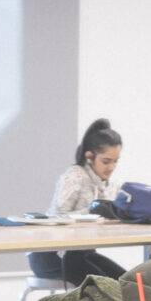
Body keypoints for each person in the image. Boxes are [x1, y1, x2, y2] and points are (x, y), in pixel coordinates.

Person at [33, 118, 127, 287]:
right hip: (53, 255)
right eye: (106, 161)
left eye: (115, 161)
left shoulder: (113, 183)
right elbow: (55, 218)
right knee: (107, 288)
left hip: (82, 253)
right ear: (89, 156)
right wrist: (93, 213)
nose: (111, 167)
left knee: (128, 282)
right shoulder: (74, 177)